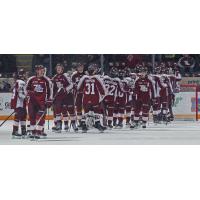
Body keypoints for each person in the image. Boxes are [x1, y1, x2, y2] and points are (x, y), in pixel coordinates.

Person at [77, 63, 106, 133]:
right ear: (94, 71)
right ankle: (97, 123)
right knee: (97, 111)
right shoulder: (96, 78)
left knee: (86, 112)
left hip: (86, 98)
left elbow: (79, 88)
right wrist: (102, 96)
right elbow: (102, 89)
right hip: (95, 98)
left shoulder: (84, 78)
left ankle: (83, 125)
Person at [26, 65, 52, 139]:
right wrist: (28, 93)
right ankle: (32, 132)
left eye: (43, 70)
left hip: (42, 102)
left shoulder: (46, 80)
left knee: (40, 117)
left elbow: (50, 90)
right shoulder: (31, 79)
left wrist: (49, 100)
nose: (42, 71)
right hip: (32, 102)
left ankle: (39, 132)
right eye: (40, 70)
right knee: (32, 117)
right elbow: (26, 89)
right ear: (37, 71)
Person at [52, 63, 78, 133]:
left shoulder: (65, 75)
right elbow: (53, 87)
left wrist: (65, 89)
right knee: (58, 111)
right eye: (57, 68)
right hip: (59, 98)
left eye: (60, 68)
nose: (58, 69)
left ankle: (73, 124)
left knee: (71, 110)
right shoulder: (55, 77)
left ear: (62, 69)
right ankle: (59, 125)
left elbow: (71, 85)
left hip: (68, 96)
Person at [10, 69, 27, 138]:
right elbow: (20, 94)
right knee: (18, 116)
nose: (26, 75)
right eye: (25, 74)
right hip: (19, 102)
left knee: (23, 116)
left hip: (18, 102)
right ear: (22, 75)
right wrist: (26, 97)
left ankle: (23, 131)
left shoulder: (17, 81)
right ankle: (15, 132)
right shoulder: (21, 82)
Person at [71, 63, 85, 127]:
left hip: (85, 94)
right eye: (79, 67)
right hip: (77, 94)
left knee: (86, 108)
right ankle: (80, 122)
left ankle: (86, 121)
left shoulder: (86, 75)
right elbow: (71, 84)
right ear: (77, 68)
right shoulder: (74, 75)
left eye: (81, 66)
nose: (80, 68)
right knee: (78, 108)